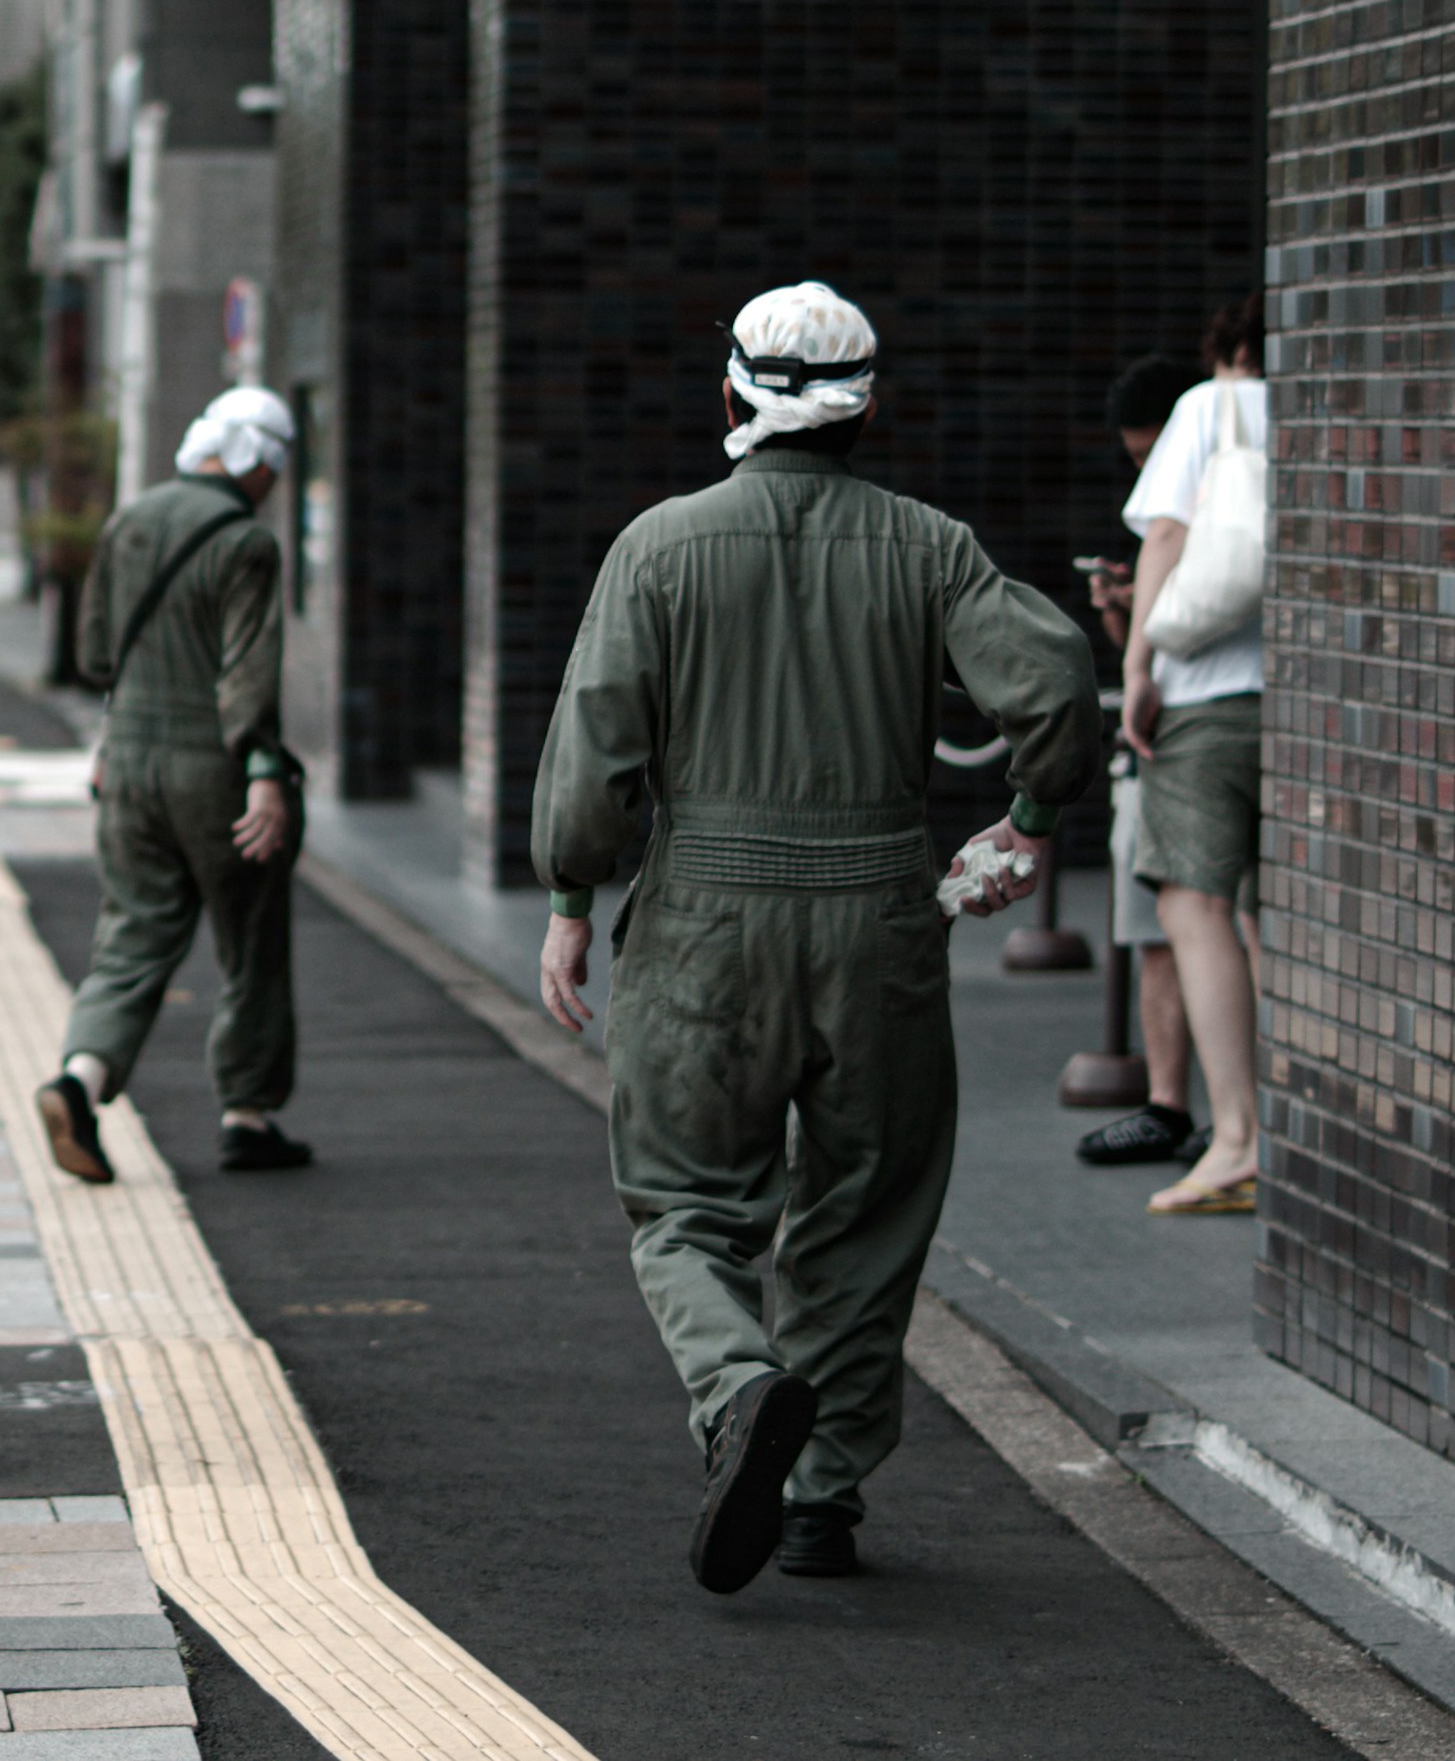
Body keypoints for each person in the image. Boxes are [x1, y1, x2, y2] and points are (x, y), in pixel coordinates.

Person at [533, 284, 1104, 1592]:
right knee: (866, 1208)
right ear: (866, 407)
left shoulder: (659, 548)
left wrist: (571, 900)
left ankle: (739, 1387)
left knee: (684, 1205)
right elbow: (1059, 677)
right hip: (878, 919)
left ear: (728, 399)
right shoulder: (928, 544)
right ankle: (818, 1495)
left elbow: (592, 758)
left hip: (704, 926)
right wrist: (1022, 823)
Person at [33, 384, 310, 1183]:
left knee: (132, 933)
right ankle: (247, 1114)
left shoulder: (129, 520)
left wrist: (118, 735)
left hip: (128, 763)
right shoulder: (245, 543)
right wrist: (264, 773)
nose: (273, 485)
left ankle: (78, 1081)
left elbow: (95, 654)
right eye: (275, 468)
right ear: (254, 457)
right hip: (213, 770)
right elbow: (248, 676)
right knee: (251, 939)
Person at [1121, 296, 1268, 1216]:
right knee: (1274, 910)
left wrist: (1138, 660)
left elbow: (1168, 535)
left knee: (1194, 900)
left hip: (1209, 698)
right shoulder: (1344, 398)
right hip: (1312, 701)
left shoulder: (1211, 409)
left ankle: (1240, 1136)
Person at [1074, 353, 1203, 1167]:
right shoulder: (1152, 515)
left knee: (1203, 919)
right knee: (1154, 926)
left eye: (1154, 452)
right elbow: (1144, 661)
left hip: (1194, 738)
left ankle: (1230, 1119)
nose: (1146, 473)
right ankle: (1167, 1101)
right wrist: (1124, 619)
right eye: (1136, 457)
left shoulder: (1205, 509)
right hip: (1153, 744)